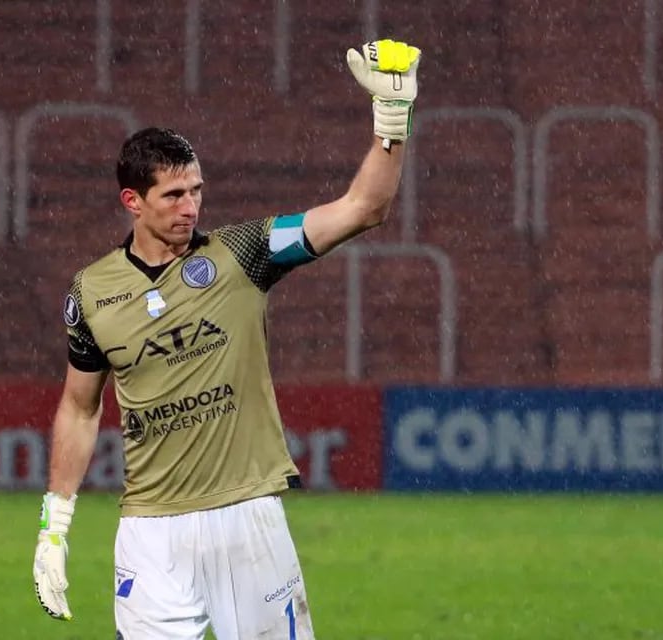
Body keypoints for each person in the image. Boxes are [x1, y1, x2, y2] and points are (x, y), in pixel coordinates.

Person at [32, 39, 421, 639]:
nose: (190, 207)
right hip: (150, 531)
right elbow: (79, 409)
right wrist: (54, 527)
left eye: (196, 191)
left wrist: (390, 123)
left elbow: (363, 208)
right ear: (132, 202)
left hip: (246, 519)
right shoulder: (91, 293)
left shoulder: (246, 252)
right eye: (173, 196)